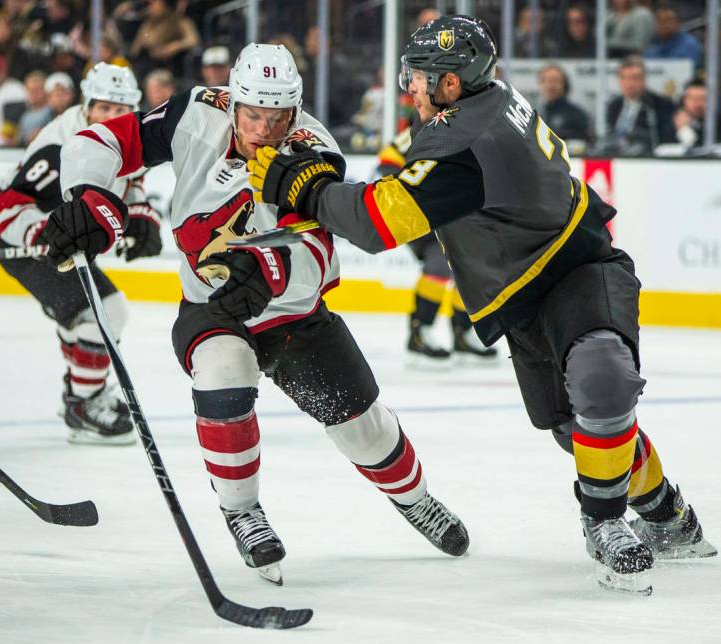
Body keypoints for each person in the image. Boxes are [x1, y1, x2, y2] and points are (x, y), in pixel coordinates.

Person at [247, 16, 717, 593]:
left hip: (576, 268)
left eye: (419, 77)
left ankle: (606, 522)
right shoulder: (483, 100)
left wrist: (303, 188)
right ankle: (667, 511)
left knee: (603, 379)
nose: (409, 87)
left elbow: (377, 222)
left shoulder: (464, 139)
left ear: (451, 84)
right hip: (523, 291)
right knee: (580, 429)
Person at [45, 43, 470, 585]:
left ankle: (416, 500)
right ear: (234, 105)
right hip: (212, 307)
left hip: (294, 314)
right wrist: (89, 198)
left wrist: (269, 270)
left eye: (278, 117)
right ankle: (242, 511)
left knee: (364, 428)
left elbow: (318, 250)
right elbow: (102, 139)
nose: (264, 129)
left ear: (295, 111)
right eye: (253, 115)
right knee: (224, 372)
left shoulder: (314, 151)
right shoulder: (195, 112)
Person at [0, 63, 162, 445]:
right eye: (104, 108)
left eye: (121, 109)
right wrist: (41, 234)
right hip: (24, 236)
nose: (113, 117)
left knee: (82, 318)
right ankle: (83, 404)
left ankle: (80, 394)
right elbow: (9, 205)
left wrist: (144, 217)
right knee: (105, 312)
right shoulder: (58, 146)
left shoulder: (130, 133)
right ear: (86, 106)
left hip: (69, 230)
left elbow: (131, 180)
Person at [377, 128, 497, 360]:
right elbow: (388, 161)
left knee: (471, 265)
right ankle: (420, 332)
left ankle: (463, 332)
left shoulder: (473, 127)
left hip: (454, 208)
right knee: (439, 260)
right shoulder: (434, 125)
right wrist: (413, 196)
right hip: (418, 206)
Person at [605, 56, 676, 155]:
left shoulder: (660, 105)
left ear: (643, 80)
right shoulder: (614, 105)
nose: (630, 83)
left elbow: (665, 139)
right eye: (625, 78)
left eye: (635, 78)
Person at [537, 64, 591, 144]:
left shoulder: (577, 114)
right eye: (545, 80)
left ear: (564, 84)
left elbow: (586, 140)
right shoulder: (536, 113)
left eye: (555, 80)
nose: (550, 86)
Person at [644, 4, 703, 73]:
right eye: (659, 20)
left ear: (678, 23)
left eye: (668, 20)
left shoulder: (690, 46)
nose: (664, 24)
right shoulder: (651, 46)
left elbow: (690, 74)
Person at [16, 70, 52, 145]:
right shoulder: (25, 115)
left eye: (37, 90)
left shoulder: (51, 111)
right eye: (30, 90)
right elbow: (20, 139)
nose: (33, 94)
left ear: (45, 90)